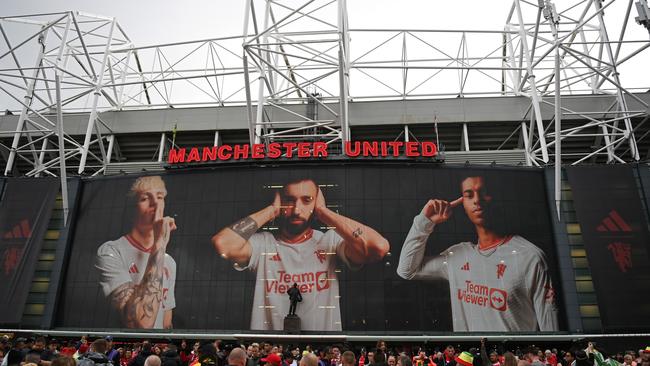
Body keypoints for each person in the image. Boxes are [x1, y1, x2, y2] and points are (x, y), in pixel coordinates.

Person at [211, 175, 389, 331]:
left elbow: (378, 247)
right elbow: (223, 243)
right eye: (289, 200)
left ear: (317, 202)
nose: (297, 210)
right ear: (280, 201)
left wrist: (324, 213)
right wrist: (271, 210)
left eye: (307, 200)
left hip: (320, 349)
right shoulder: (263, 243)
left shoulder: (329, 241)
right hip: (269, 350)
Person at [397, 174, 559, 331]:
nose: (477, 200)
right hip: (467, 358)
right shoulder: (457, 255)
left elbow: (550, 324)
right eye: (469, 195)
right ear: (463, 204)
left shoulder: (529, 256)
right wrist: (424, 222)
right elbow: (406, 271)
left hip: (512, 357)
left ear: (495, 197)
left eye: (483, 193)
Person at [95, 176, 177, 329]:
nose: (155, 203)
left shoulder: (169, 261)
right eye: (145, 198)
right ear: (132, 207)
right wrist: (160, 242)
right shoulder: (111, 251)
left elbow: (167, 323)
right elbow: (141, 323)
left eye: (160, 197)